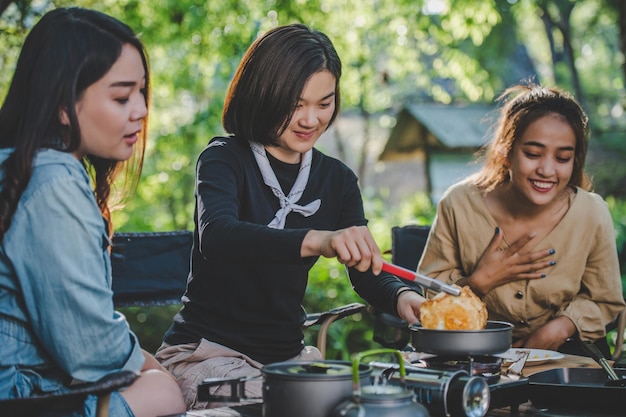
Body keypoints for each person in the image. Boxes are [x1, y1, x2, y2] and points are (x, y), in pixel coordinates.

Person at [155, 23, 424, 409]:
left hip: (284, 362)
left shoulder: (337, 180)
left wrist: (401, 295)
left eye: (324, 103)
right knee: (280, 402)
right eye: (295, 103)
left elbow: (364, 270)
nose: (310, 120)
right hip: (206, 356)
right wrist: (316, 239)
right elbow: (218, 235)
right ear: (263, 94)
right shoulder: (224, 159)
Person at [0, 7, 185, 417]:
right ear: (63, 106)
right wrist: (164, 376)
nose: (140, 110)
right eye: (121, 96)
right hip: (19, 398)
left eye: (141, 92)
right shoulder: (52, 182)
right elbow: (93, 352)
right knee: (164, 392)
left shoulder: (19, 165)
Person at [418, 83, 625, 358]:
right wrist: (478, 282)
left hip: (569, 356)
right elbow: (428, 294)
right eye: (533, 154)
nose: (547, 170)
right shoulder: (458, 204)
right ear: (506, 152)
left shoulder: (591, 213)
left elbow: (604, 300)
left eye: (563, 158)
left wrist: (557, 330)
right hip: (475, 357)